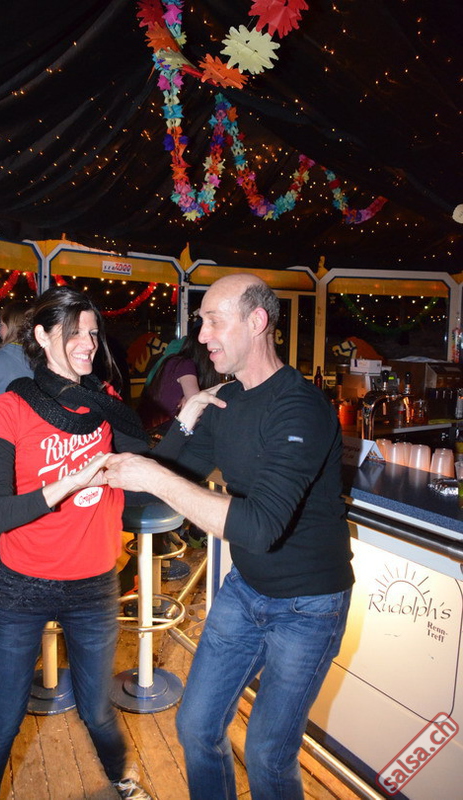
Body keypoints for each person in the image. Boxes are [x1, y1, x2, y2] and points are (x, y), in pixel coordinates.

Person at [104, 273, 354, 800]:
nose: (202, 335)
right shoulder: (226, 401)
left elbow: (259, 527)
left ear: (257, 321)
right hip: (246, 590)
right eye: (201, 322)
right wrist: (187, 417)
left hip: (309, 605)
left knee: (266, 755)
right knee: (196, 728)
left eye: (214, 320)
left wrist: (154, 477)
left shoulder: (301, 407)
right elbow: (153, 489)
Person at [0, 285, 174, 800]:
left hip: (93, 586)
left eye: (93, 334)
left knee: (97, 711)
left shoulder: (106, 403)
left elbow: (148, 468)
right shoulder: (12, 407)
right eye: (74, 332)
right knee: (2, 719)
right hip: (20, 586)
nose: (87, 344)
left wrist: (187, 423)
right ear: (41, 335)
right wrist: (70, 481)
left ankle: (122, 782)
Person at [137, 324, 219, 435]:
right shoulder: (184, 364)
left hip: (151, 431)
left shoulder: (175, 361)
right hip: (161, 435)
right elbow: (196, 406)